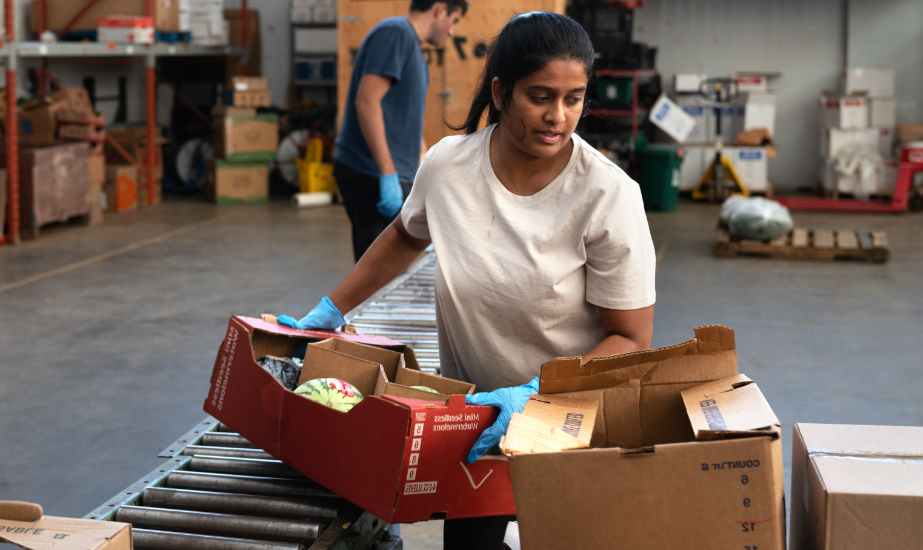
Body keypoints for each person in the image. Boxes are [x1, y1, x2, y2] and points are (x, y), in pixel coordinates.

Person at [278, 12, 656, 549]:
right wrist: (331, 309)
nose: (558, 117)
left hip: (569, 416)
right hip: (476, 418)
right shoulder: (450, 166)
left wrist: (534, 394)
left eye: (574, 99)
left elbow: (632, 338)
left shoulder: (607, 195)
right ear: (501, 92)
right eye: (541, 96)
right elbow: (407, 236)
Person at [333, 0, 467, 262]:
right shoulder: (396, 33)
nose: (451, 31)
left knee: (394, 270)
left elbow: (408, 122)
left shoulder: (414, 52)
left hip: (394, 176)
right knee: (376, 275)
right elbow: (367, 101)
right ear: (440, 9)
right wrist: (387, 175)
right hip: (370, 173)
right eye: (455, 20)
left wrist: (426, 172)